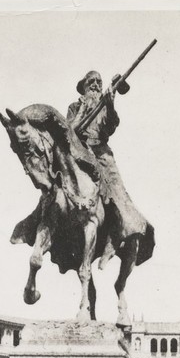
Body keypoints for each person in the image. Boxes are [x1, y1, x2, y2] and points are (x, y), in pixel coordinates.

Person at [67, 70, 154, 267]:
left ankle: (117, 237)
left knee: (117, 191)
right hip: (81, 152)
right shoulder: (73, 107)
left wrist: (110, 103)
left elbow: (111, 126)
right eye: (91, 81)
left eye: (99, 81)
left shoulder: (105, 104)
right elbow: (69, 131)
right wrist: (82, 111)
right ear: (84, 86)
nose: (96, 84)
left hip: (102, 152)